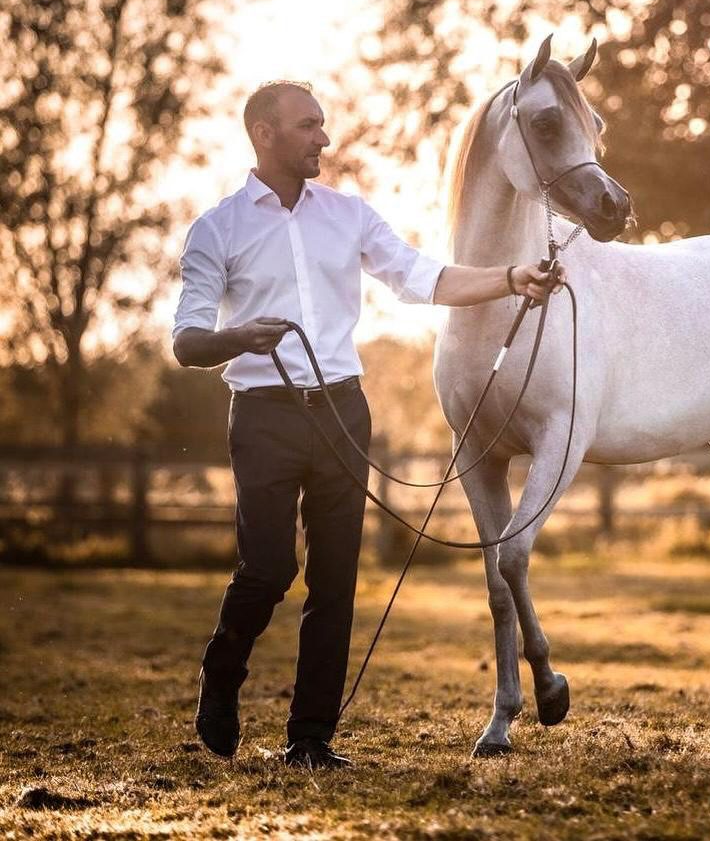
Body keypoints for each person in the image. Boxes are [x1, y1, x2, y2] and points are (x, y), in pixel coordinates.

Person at [172, 80, 562, 769]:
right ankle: (222, 669)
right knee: (267, 570)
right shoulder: (218, 228)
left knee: (336, 581)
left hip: (344, 411)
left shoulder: (348, 214)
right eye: (307, 125)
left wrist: (509, 277)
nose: (323, 137)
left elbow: (424, 278)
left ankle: (311, 737)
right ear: (264, 133)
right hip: (263, 413)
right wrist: (243, 334)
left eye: (322, 124)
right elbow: (187, 342)